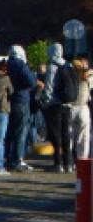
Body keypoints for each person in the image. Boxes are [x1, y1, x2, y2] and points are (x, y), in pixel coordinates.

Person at [6, 45, 36, 172]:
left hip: (9, 100)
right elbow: (31, 82)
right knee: (20, 131)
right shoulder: (20, 65)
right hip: (21, 99)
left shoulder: (6, 64)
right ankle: (18, 160)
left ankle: (9, 158)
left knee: (10, 132)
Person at [42, 42, 71, 171]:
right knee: (66, 134)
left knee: (56, 135)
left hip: (55, 105)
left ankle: (58, 163)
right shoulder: (67, 65)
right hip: (67, 104)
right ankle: (68, 163)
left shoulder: (52, 66)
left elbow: (49, 87)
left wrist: (46, 102)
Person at [72, 56, 91, 162]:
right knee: (83, 136)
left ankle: (71, 160)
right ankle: (82, 159)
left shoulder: (71, 74)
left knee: (71, 136)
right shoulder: (89, 75)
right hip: (82, 106)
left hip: (72, 107)